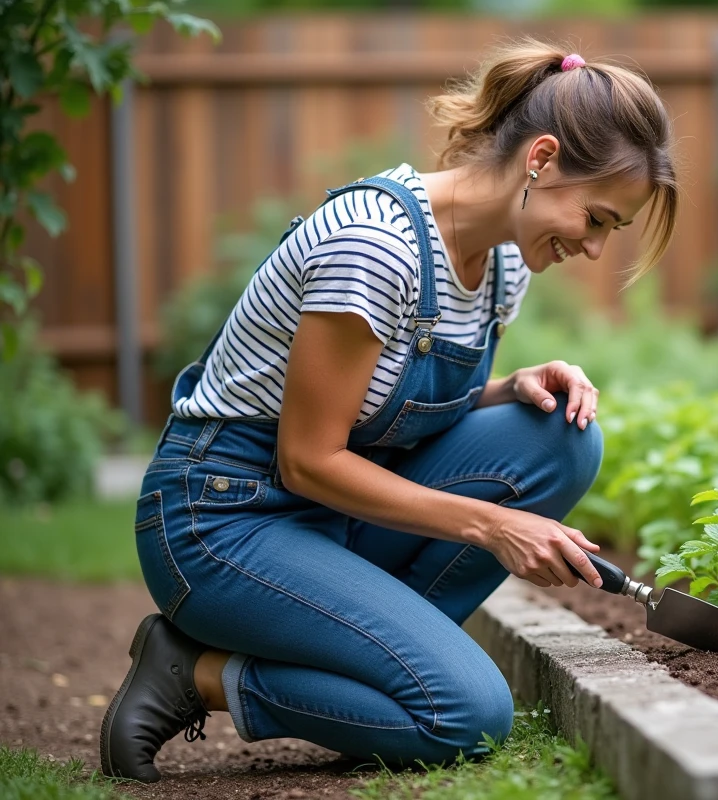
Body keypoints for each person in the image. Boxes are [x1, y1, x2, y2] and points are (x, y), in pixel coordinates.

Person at [99, 39, 679, 783]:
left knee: (562, 440)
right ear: (540, 160)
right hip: (224, 519)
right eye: (597, 219)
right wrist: (495, 525)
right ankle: (195, 673)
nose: (595, 248)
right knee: (467, 715)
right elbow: (308, 458)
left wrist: (511, 387)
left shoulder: (503, 259)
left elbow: (392, 400)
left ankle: (375, 657)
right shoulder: (377, 244)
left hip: (329, 515)